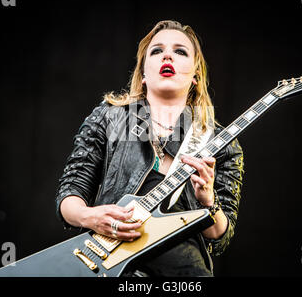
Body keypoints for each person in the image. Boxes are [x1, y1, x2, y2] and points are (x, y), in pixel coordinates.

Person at [55, 20, 244, 277]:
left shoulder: (220, 140)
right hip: (110, 264)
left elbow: (220, 237)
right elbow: (71, 191)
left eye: (180, 51)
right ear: (143, 73)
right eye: (156, 51)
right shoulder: (109, 117)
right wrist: (89, 217)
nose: (168, 55)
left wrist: (208, 200)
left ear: (196, 76)